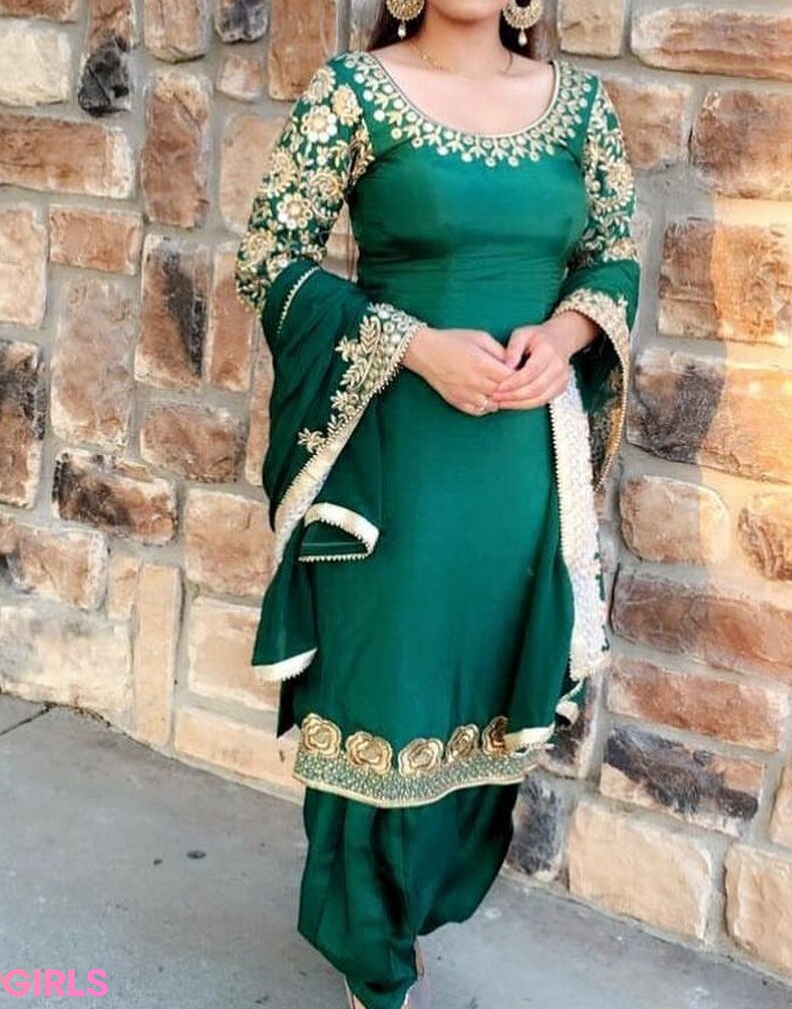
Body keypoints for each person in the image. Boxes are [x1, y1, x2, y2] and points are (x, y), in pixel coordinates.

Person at [233, 1, 639, 1006]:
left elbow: (614, 253)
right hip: (398, 464)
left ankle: (412, 918)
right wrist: (413, 345)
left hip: (520, 469)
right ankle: (373, 959)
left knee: (483, 697)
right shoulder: (354, 95)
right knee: (386, 691)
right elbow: (269, 255)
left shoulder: (581, 107)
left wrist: (567, 336)